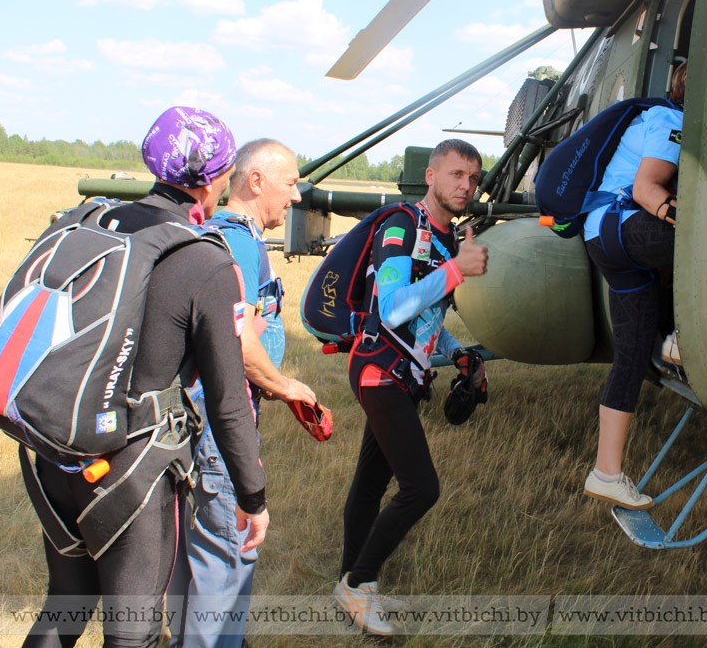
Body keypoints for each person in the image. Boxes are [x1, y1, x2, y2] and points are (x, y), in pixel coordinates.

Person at [22, 107, 269, 647]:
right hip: (132, 469)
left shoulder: (95, 223)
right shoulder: (203, 259)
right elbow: (228, 400)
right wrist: (252, 497)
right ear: (210, 179)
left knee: (64, 605)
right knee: (133, 633)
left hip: (55, 451)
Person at [333, 139, 489, 636]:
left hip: (405, 375)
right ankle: (358, 582)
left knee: (371, 483)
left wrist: (457, 351)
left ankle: (350, 581)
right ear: (431, 176)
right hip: (379, 370)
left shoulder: (444, 238)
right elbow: (393, 307)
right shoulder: (403, 226)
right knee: (421, 488)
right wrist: (456, 269)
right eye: (456, 174)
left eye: (473, 178)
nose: (465, 185)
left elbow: (424, 317)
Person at [167, 139, 319, 647]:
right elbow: (238, 344)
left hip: (197, 418)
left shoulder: (215, 235)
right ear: (256, 181)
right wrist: (287, 385)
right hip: (220, 426)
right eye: (291, 183)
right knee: (227, 558)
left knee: (196, 556)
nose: (296, 197)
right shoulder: (238, 243)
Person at [580, 62, 688, 511]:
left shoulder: (658, 118)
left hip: (605, 237)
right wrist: (695, 221)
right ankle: (682, 339)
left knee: (630, 358)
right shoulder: (671, 119)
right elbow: (646, 190)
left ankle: (605, 473)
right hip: (622, 225)